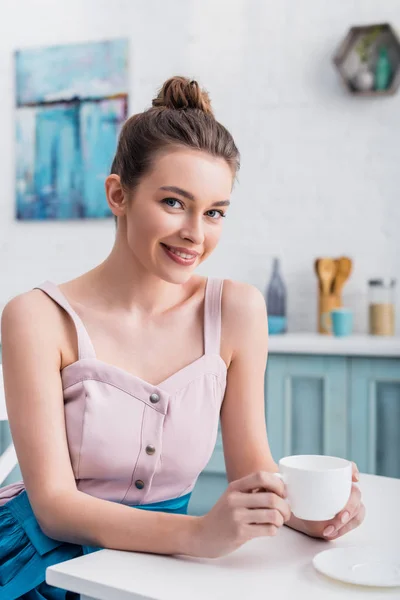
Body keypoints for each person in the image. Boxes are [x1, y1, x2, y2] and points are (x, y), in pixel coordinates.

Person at [0, 76, 365, 599]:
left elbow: (252, 469)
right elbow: (55, 507)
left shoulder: (237, 310)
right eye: (174, 203)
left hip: (160, 569)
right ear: (118, 194)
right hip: (35, 570)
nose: (197, 233)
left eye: (215, 211)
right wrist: (198, 535)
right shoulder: (35, 317)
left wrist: (312, 513)